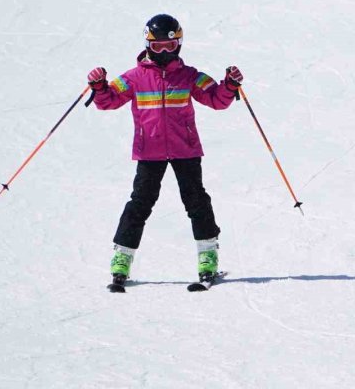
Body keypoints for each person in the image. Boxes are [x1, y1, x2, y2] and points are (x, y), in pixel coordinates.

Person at [87, 14, 243, 288]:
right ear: (147, 45)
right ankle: (122, 257)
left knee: (196, 201)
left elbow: (217, 100)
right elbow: (108, 101)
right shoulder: (134, 78)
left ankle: (207, 255)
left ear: (179, 45)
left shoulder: (190, 76)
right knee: (140, 203)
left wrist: (229, 85)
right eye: (157, 47)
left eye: (169, 47)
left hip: (185, 149)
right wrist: (99, 86)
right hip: (150, 151)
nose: (163, 52)